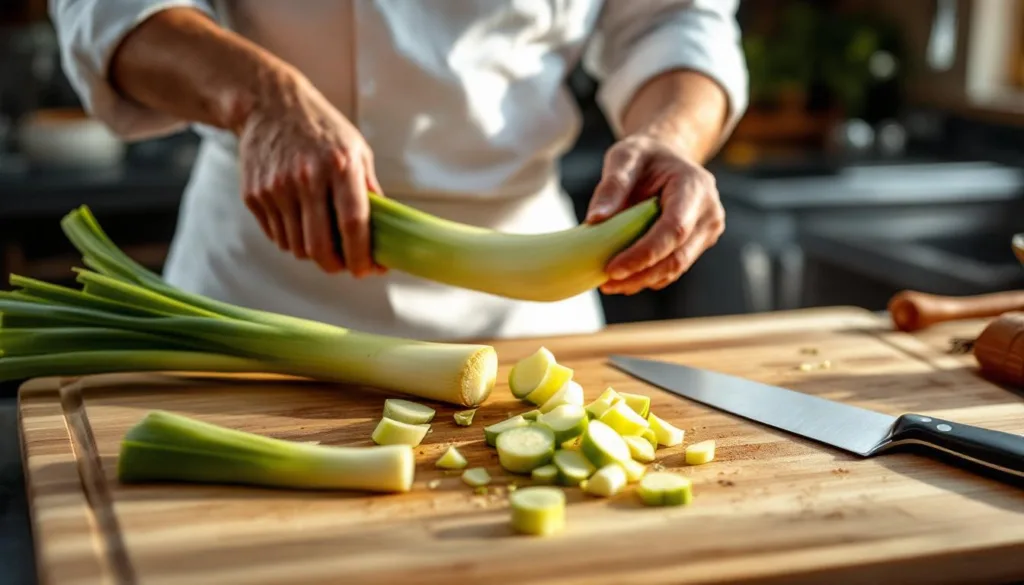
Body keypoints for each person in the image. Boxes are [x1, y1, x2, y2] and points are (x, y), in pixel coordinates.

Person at [48, 0, 748, 341]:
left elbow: (674, 21)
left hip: (526, 309)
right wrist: (263, 98)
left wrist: (672, 137)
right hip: (255, 289)